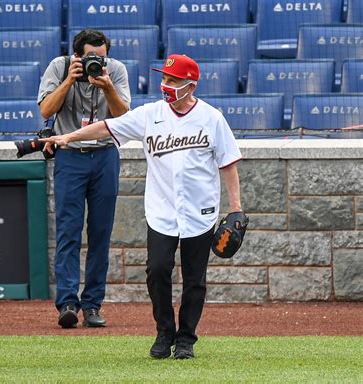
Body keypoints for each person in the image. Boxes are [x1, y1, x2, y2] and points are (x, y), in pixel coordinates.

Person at [41, 54, 243, 359]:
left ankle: (186, 339)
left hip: (200, 212)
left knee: (194, 279)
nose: (166, 85)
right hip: (161, 211)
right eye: (164, 79)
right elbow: (105, 128)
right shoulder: (150, 114)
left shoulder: (212, 118)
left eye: (173, 81)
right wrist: (66, 137)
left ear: (191, 85)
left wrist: (237, 209)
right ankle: (164, 332)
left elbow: (228, 164)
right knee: (157, 270)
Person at [37, 29, 131, 328]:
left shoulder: (115, 71)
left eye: (101, 58)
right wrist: (69, 79)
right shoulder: (59, 66)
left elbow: (123, 117)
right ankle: (67, 303)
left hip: (104, 155)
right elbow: (45, 110)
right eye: (91, 58)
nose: (97, 63)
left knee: (101, 234)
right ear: (77, 55)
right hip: (70, 155)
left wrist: (107, 87)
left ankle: (92, 304)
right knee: (68, 231)